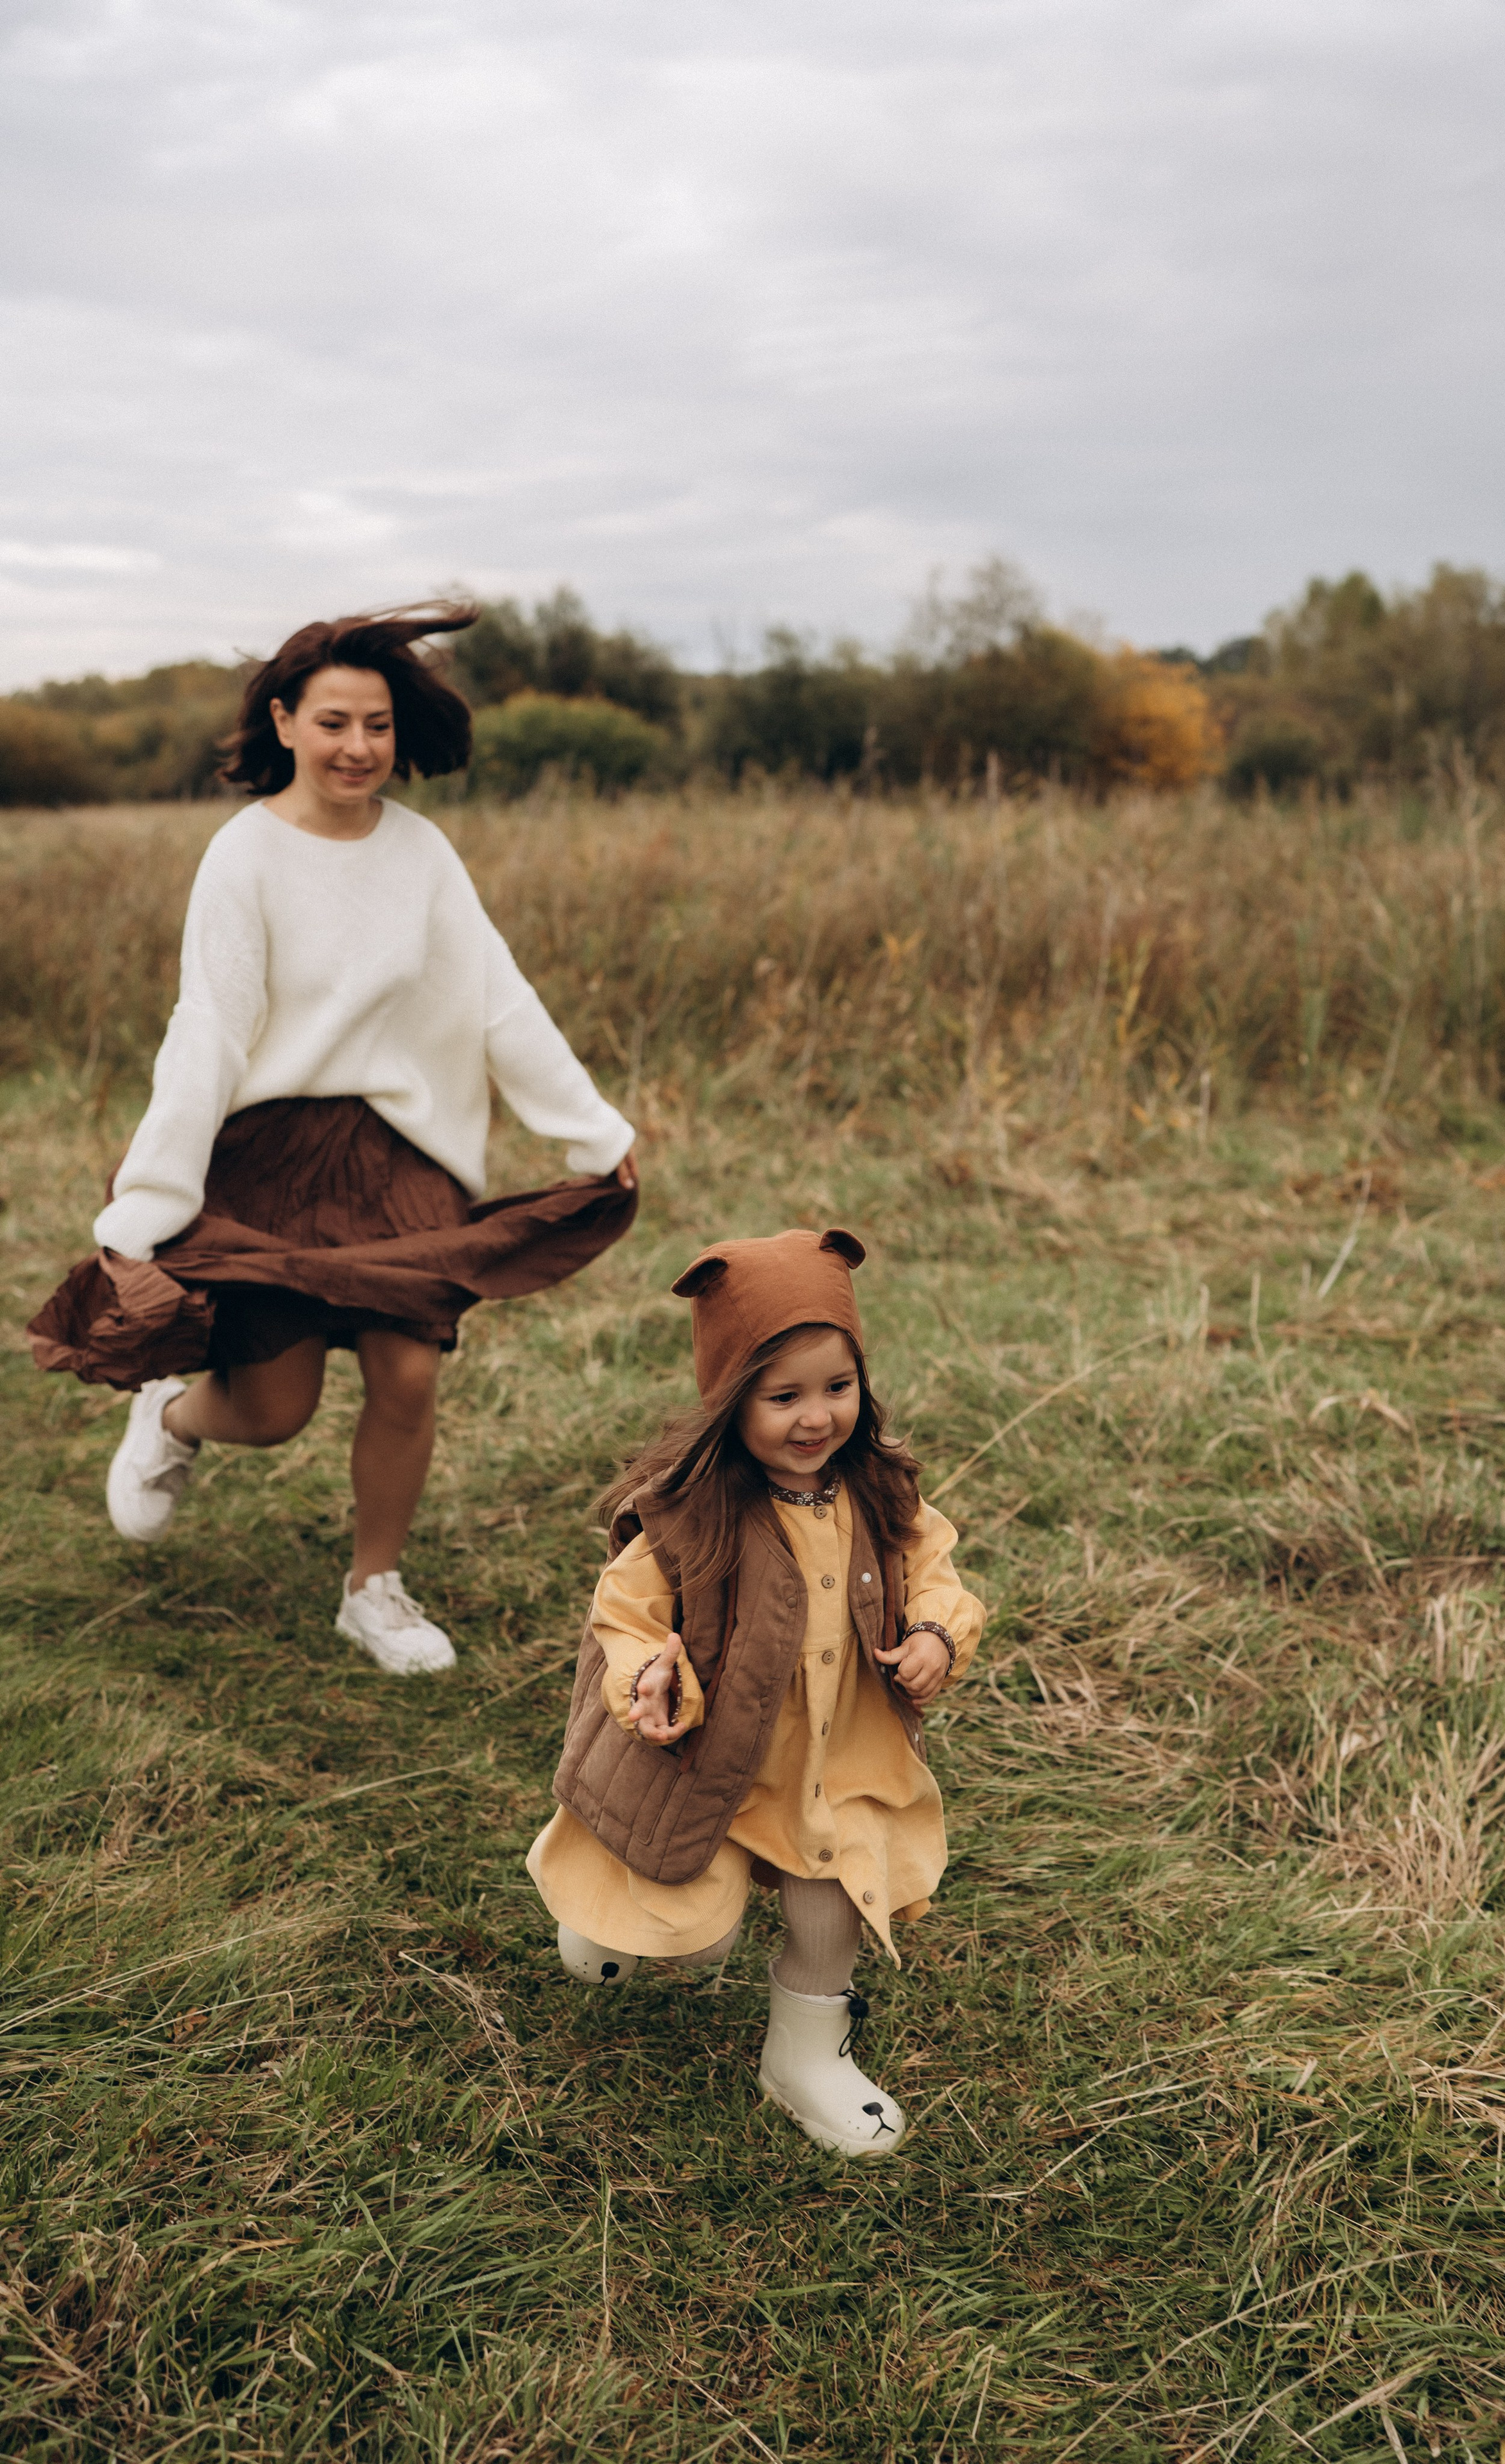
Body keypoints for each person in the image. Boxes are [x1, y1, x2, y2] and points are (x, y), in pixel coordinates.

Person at [30, 605, 637, 1676]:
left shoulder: (423, 853)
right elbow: (209, 1028)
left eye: (379, 724)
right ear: (283, 720)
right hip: (269, 1155)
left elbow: (497, 1002)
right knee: (275, 1409)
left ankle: (375, 1589)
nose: (359, 747)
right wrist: (152, 1199)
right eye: (334, 722)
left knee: (409, 1371)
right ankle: (174, 1419)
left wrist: (591, 1131)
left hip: (401, 1154)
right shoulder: (243, 855)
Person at [527, 1226, 984, 2158]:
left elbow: (937, 1568)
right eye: (784, 1397)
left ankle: (805, 2057)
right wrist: (645, 1670)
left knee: (832, 1898)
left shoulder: (881, 1492)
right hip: (715, 1760)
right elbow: (625, 1610)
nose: (816, 1417)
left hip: (836, 1755)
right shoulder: (695, 1513)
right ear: (732, 1400)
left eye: (837, 1388)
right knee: (690, 1940)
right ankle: (601, 1914)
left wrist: (938, 1631)